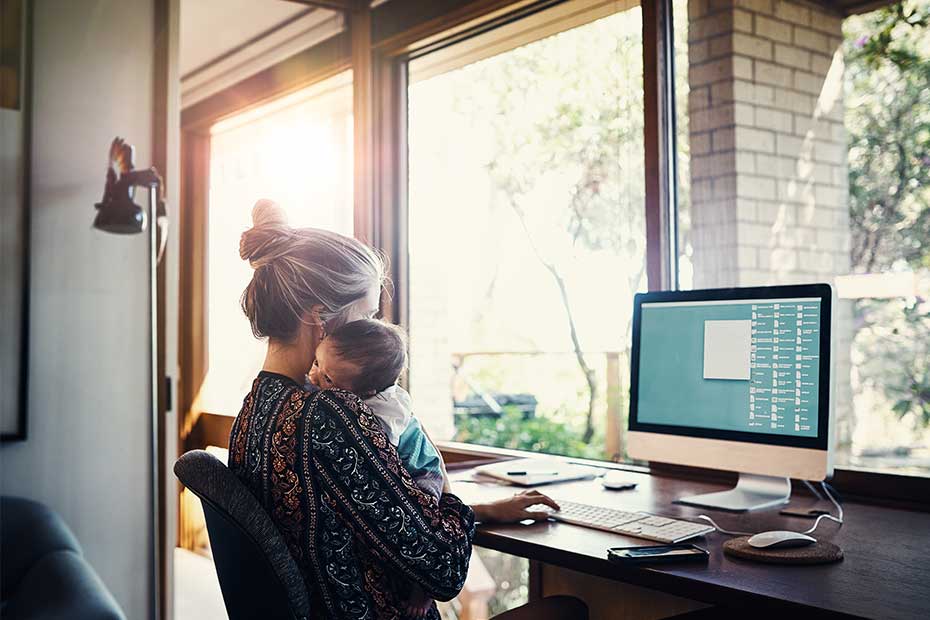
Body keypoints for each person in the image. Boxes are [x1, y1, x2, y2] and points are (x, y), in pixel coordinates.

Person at [228, 200, 583, 620]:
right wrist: (445, 484)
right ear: (320, 317)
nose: (373, 334)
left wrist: (479, 511)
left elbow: (357, 520)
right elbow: (444, 571)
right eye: (367, 317)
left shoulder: (255, 410)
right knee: (569, 610)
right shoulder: (330, 416)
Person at [308, 318, 444, 499]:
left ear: (365, 392)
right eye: (316, 362)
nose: (314, 377)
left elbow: (379, 450)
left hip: (422, 469)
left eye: (328, 379)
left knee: (426, 498)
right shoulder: (342, 385)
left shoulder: (385, 412)